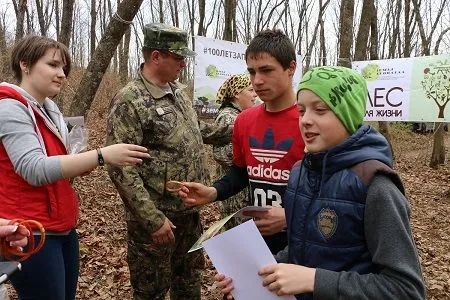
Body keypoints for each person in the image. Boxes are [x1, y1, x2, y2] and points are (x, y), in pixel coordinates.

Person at [217, 66, 426, 299]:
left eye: (320, 110)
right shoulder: (299, 173)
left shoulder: (375, 186)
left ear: (347, 114)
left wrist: (315, 280)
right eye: (301, 110)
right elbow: (301, 251)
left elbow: (407, 290)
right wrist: (253, 277)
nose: (305, 120)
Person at [0, 35, 150, 300]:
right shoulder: (10, 108)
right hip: (29, 231)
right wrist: (101, 155)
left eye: (64, 69)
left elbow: (55, 163)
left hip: (61, 228)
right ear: (25, 64)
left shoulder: (49, 109)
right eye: (53, 65)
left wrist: (79, 162)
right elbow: (33, 169)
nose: (61, 75)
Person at [105, 23, 232, 300]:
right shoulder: (131, 99)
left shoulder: (177, 91)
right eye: (178, 57)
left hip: (188, 214)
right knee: (152, 291)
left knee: (188, 285)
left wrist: (243, 127)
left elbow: (196, 131)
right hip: (157, 220)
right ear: (155, 57)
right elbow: (121, 167)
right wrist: (152, 220)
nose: (183, 64)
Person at [178, 29, 305, 254]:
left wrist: (289, 217)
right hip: (258, 243)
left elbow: (336, 195)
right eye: (252, 71)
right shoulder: (244, 121)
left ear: (291, 68)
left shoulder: (311, 122)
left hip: (304, 245)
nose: (257, 81)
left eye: (266, 70)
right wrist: (213, 192)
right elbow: (241, 173)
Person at [213, 74, 256, 229]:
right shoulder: (229, 117)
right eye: (250, 90)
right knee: (237, 232)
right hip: (234, 195)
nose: (255, 94)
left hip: (237, 191)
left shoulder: (238, 115)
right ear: (237, 93)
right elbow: (223, 153)